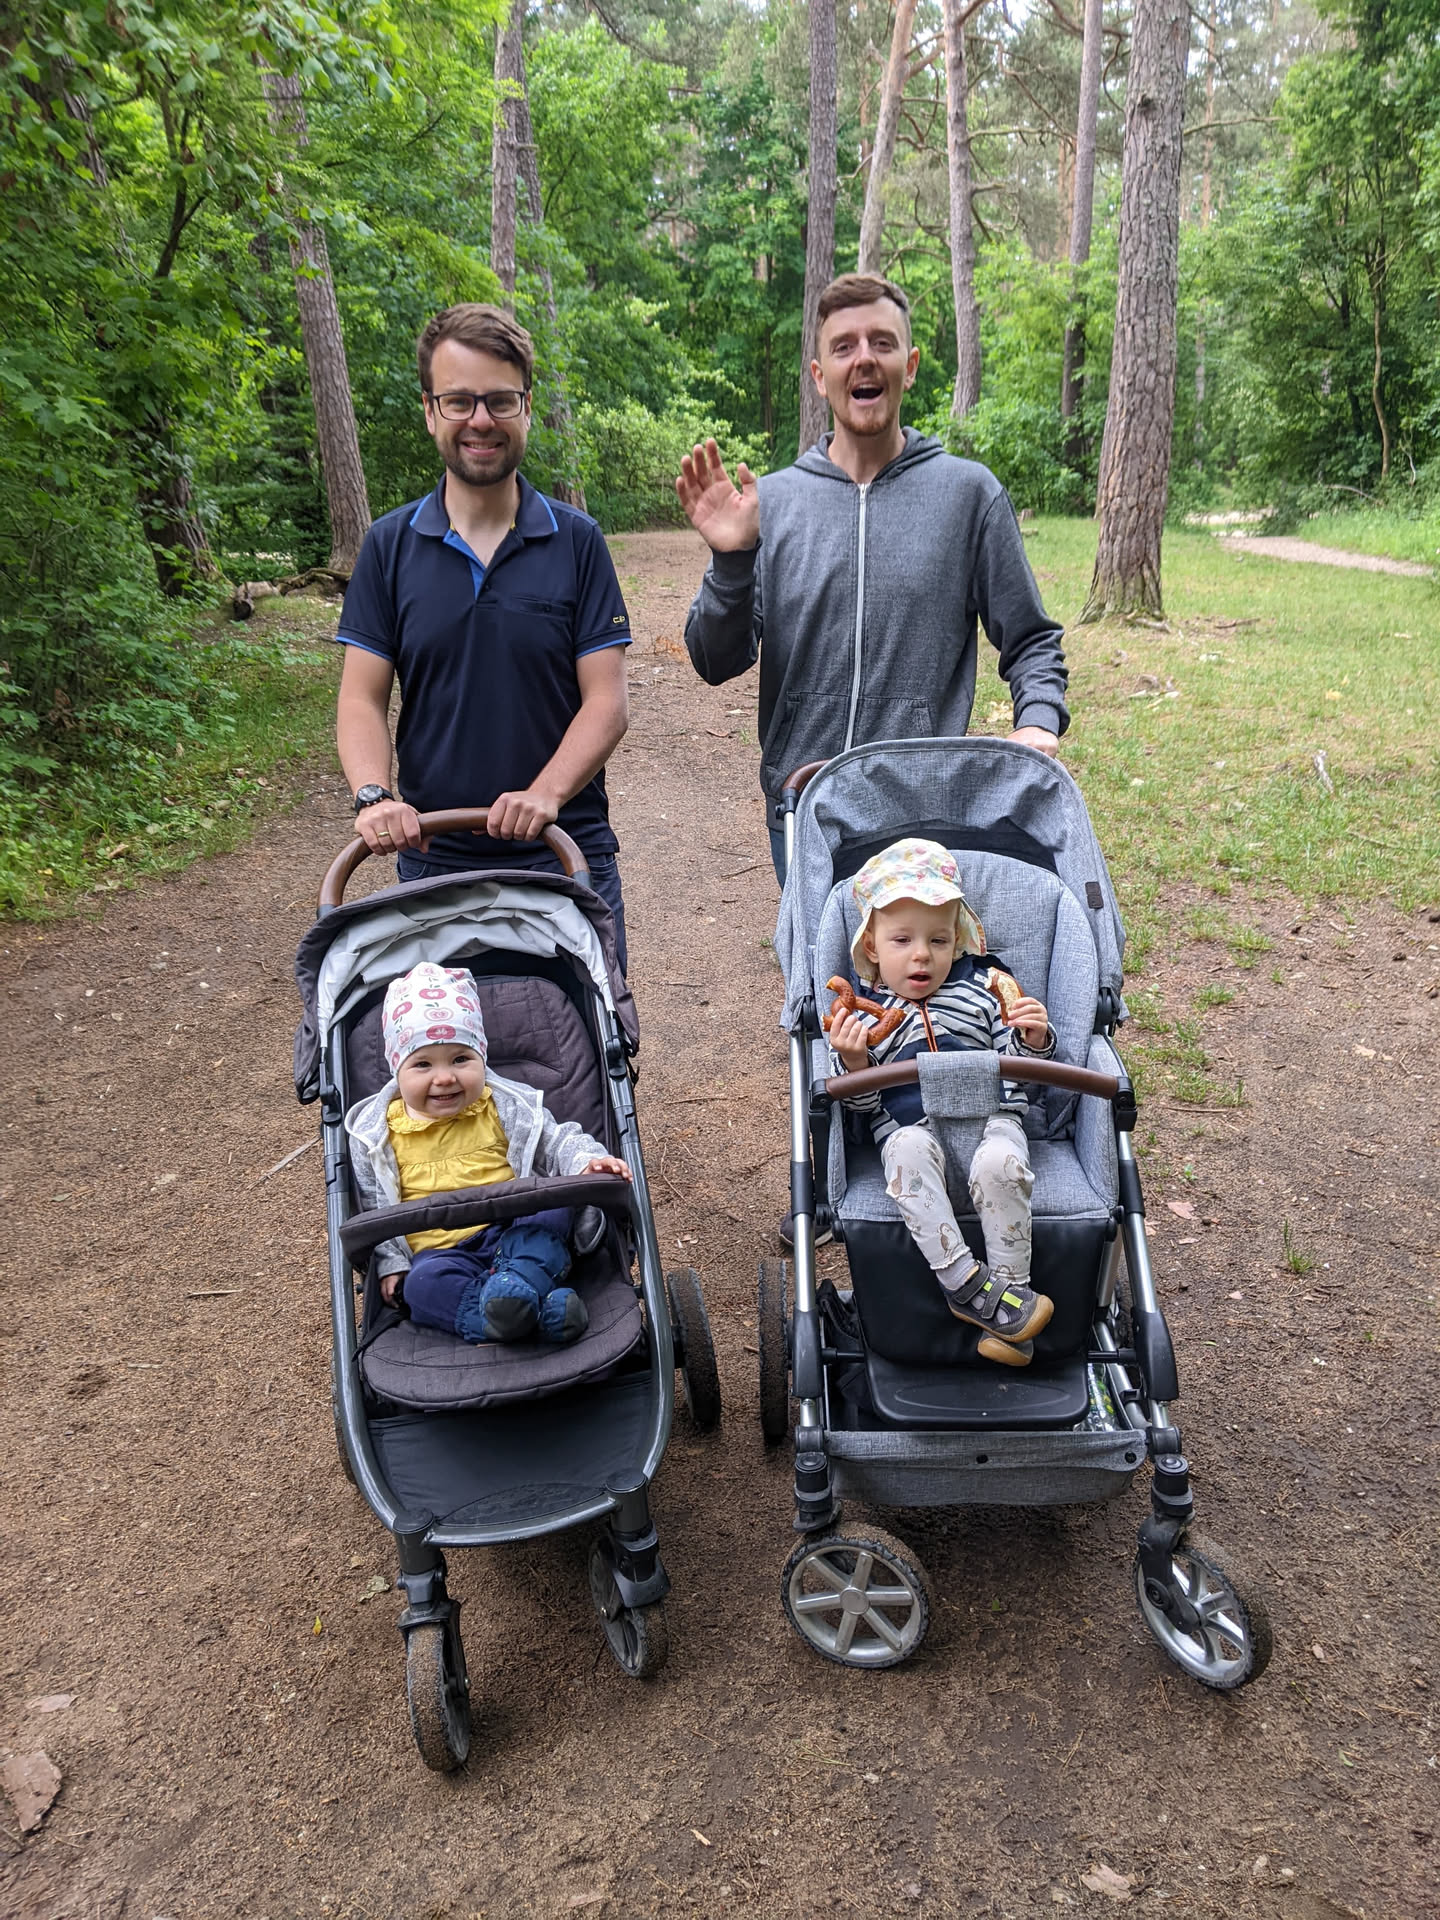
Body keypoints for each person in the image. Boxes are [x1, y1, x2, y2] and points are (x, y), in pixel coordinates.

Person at [676, 273, 1069, 885]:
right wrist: (732, 561)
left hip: (925, 810)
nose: (864, 358)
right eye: (844, 346)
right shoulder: (772, 503)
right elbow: (714, 660)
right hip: (805, 806)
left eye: (882, 343)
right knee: (818, 953)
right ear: (819, 375)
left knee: (917, 953)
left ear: (908, 367)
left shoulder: (968, 495)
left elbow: (1032, 638)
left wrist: (1038, 717)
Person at [336, 304, 633, 969]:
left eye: (500, 401)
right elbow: (360, 698)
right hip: (433, 860)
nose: (480, 420)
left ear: (526, 408)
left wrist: (545, 794)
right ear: (429, 411)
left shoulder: (578, 542)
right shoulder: (388, 547)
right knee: (442, 1038)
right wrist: (375, 795)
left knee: (587, 1030)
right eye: (459, 401)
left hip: (565, 853)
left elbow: (607, 702)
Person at [826, 839, 1055, 1368]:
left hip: (991, 1123)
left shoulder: (983, 993)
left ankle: (1012, 1301)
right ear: (872, 949)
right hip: (914, 1133)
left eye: (939, 939)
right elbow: (860, 1108)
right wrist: (855, 1064)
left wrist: (1035, 1038)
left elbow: (1022, 1067)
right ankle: (963, 1284)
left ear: (958, 942)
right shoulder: (864, 1017)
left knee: (1002, 1163)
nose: (922, 954)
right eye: (902, 939)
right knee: (903, 1149)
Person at [345, 962, 633, 1346]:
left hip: (515, 1229)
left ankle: (512, 1299)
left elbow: (557, 1140)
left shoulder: (503, 1105)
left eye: (460, 1059)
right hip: (441, 1253)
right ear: (397, 1069)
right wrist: (392, 1263)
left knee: (554, 1204)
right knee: (420, 1287)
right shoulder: (375, 1135)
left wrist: (586, 1162)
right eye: (422, 1064)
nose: (444, 1077)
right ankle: (529, 1313)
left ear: (482, 1057)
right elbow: (375, 1209)